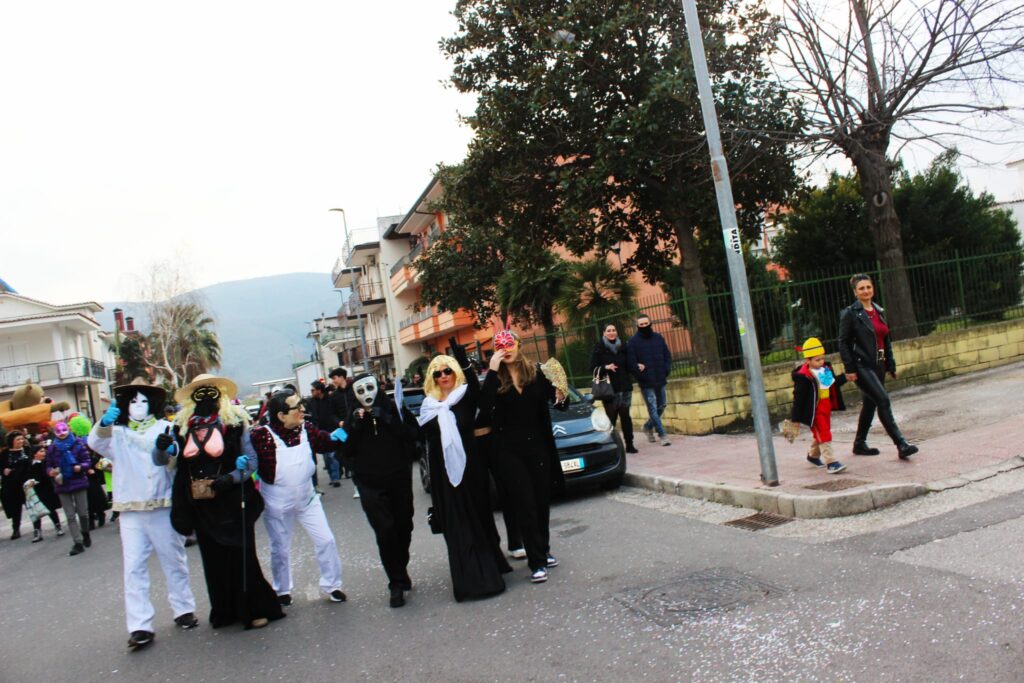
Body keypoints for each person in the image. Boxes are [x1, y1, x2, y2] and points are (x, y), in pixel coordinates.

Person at [88, 379, 199, 650]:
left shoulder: (166, 427)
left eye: (144, 401)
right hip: (131, 510)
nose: (138, 406)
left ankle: (183, 609)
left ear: (153, 404)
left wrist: (171, 450)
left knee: (174, 560)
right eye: (133, 401)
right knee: (134, 568)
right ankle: (140, 625)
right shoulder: (117, 433)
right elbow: (94, 444)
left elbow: (176, 462)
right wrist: (104, 422)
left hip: (162, 505)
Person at [170, 374, 284, 631]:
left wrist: (232, 477)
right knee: (213, 559)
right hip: (202, 503)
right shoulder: (182, 428)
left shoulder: (235, 424)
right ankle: (224, 611)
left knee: (242, 556)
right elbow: (168, 464)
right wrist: (163, 449)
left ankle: (253, 608)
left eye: (211, 392)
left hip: (233, 502)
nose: (206, 398)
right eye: (200, 393)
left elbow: (251, 462)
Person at [418, 342, 511, 601]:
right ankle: (471, 582)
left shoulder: (465, 395)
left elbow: (486, 398)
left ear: (454, 372)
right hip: (444, 477)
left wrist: (491, 369)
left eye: (447, 371)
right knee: (458, 527)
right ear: (432, 378)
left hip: (472, 471)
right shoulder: (429, 406)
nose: (443, 376)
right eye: (437, 373)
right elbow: (421, 439)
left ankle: (491, 569)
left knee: (479, 520)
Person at [245, 388, 349, 607]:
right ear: (281, 415)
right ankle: (282, 589)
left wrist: (336, 437)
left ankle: (333, 585)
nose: (303, 410)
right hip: (276, 503)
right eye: (297, 407)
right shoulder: (260, 435)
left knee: (326, 540)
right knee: (280, 548)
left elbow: (323, 442)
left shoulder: (306, 428)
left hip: (307, 499)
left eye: (302, 404)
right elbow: (247, 458)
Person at [479, 330, 566, 585]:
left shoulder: (536, 375)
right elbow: (483, 410)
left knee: (541, 501)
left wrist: (561, 396)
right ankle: (536, 562)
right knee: (524, 504)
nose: (505, 349)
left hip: (537, 447)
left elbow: (558, 403)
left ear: (519, 345)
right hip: (508, 451)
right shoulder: (495, 379)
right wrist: (493, 372)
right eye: (499, 345)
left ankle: (544, 549)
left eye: (509, 344)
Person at [344, 374, 418, 607]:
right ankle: (395, 582)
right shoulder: (351, 419)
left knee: (404, 524)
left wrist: (387, 419)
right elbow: (344, 451)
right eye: (360, 390)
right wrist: (354, 427)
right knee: (384, 530)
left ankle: (400, 567)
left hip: (398, 477)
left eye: (369, 388)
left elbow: (413, 434)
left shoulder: (394, 408)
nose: (366, 393)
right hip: (369, 482)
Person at [838, 274, 919, 460]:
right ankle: (901, 444)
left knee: (870, 404)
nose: (866, 291)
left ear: (873, 288)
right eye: (861, 288)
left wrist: (890, 364)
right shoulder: (850, 314)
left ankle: (859, 444)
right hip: (861, 366)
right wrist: (849, 368)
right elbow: (843, 343)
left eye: (868, 287)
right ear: (855, 292)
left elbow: (886, 339)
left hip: (879, 366)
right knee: (883, 400)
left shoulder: (878, 310)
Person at [790, 337, 849, 474]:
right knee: (824, 433)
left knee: (822, 432)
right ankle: (831, 462)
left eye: (822, 358)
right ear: (808, 360)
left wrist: (845, 377)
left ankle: (813, 456)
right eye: (817, 360)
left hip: (826, 406)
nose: (821, 362)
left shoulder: (825, 369)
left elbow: (832, 384)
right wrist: (796, 419)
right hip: (814, 411)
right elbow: (798, 398)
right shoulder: (804, 377)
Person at [45, 421, 93, 556]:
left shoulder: (78, 444)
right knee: (70, 516)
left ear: (69, 429)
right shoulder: (52, 448)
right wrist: (51, 471)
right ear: (54, 432)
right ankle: (77, 542)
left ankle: (85, 532)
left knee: (83, 513)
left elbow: (87, 461)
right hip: (62, 483)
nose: (62, 433)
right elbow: (48, 465)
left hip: (78, 481)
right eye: (58, 431)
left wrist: (80, 467)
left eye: (64, 430)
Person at [590, 323, 638, 454]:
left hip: (625, 387)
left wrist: (637, 365)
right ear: (604, 333)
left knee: (626, 416)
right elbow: (592, 368)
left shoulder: (623, 346)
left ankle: (629, 444)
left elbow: (629, 363)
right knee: (611, 419)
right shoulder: (599, 348)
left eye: (613, 330)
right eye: (608, 331)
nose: (611, 332)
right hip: (610, 390)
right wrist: (606, 367)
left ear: (616, 332)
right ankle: (610, 446)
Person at [627, 314, 673, 447]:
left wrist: (666, 370)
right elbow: (631, 363)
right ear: (637, 326)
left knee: (662, 405)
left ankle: (647, 427)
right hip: (646, 382)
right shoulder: (633, 342)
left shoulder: (658, 338)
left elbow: (667, 356)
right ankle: (663, 435)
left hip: (660, 378)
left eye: (646, 323)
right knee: (652, 408)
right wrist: (640, 373)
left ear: (650, 323)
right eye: (641, 325)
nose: (644, 326)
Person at [26, 439, 63, 541]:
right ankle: (37, 531)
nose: (44, 453)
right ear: (34, 454)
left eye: (44, 451)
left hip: (46, 489)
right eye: (41, 451)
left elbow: (46, 475)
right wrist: (29, 481)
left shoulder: (46, 463)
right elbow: (27, 475)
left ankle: (57, 525)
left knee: (51, 509)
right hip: (34, 491)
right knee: (36, 511)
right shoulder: (30, 464)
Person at [308, 381, 342, 488]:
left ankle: (335, 478)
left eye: (313, 390)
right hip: (319, 432)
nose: (311, 392)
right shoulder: (311, 402)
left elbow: (335, 413)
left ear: (319, 390)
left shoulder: (330, 400)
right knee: (326, 457)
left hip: (332, 430)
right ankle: (332, 474)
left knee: (332, 455)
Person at [2, 431, 32, 539]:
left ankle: (37, 527)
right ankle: (16, 529)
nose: (21, 441)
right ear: (12, 441)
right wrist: (4, 470)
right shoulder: (5, 453)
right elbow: (1, 467)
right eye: (18, 439)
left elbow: (31, 464)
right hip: (11, 484)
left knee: (32, 505)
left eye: (21, 439)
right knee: (15, 508)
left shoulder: (28, 450)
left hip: (26, 483)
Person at [329, 368, 355, 481]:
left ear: (342, 377)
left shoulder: (355, 389)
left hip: (358, 426)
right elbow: (331, 414)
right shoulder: (334, 395)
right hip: (344, 430)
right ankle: (356, 482)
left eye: (334, 378)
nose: (333, 381)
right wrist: (338, 422)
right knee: (348, 455)